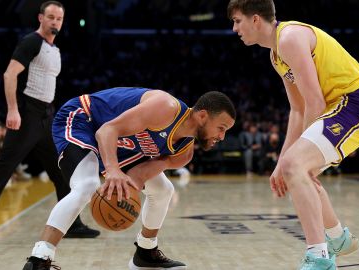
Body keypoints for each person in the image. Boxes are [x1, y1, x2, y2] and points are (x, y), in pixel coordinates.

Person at [228, 0, 359, 269]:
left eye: (237, 21)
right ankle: (337, 238)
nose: (234, 28)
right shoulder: (276, 54)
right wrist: (282, 161)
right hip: (337, 108)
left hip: (357, 103)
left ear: (255, 19)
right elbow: (298, 110)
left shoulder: (289, 37)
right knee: (297, 171)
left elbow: (315, 102)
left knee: (296, 166)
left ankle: (320, 257)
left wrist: (293, 159)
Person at [22, 87, 236, 270]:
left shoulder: (183, 153)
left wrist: (120, 198)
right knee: (87, 184)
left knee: (163, 190)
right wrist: (113, 170)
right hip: (84, 118)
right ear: (202, 116)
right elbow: (107, 130)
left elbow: (138, 176)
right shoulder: (165, 107)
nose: (222, 137)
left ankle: (145, 251)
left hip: (119, 145)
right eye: (221, 128)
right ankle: (39, 259)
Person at [0, 1, 99, 246]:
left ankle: (72, 224)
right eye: (51, 17)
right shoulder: (31, 42)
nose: (55, 22)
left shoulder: (54, 49)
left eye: (59, 18)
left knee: (62, 170)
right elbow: (9, 74)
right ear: (40, 18)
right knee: (3, 168)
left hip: (46, 117)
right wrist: (13, 110)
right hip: (27, 113)